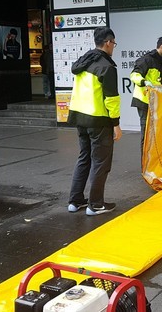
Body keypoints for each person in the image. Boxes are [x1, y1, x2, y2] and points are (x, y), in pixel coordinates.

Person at [67, 27, 122, 216]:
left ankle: (76, 201)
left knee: (84, 157)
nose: (113, 47)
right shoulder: (106, 66)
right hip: (98, 120)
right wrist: (116, 124)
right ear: (108, 42)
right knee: (100, 162)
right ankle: (96, 204)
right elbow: (111, 99)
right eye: (113, 43)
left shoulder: (84, 61)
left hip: (80, 117)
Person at [130, 35, 162, 155]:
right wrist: (144, 82)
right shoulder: (147, 60)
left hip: (157, 103)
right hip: (145, 102)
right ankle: (145, 165)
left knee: (156, 134)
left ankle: (155, 162)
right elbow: (134, 75)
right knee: (146, 134)